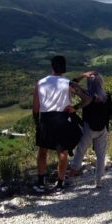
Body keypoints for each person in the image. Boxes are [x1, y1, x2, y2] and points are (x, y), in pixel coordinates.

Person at [33, 56, 91, 194]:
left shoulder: (40, 83)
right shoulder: (69, 84)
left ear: (52, 66)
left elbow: (35, 107)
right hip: (62, 118)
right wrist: (75, 108)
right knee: (63, 152)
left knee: (42, 151)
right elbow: (87, 99)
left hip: (46, 119)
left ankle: (41, 182)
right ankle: (60, 183)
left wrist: (37, 124)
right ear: (64, 67)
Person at [67, 72, 112, 188]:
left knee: (80, 151)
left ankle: (71, 176)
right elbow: (111, 114)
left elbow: (70, 83)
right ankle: (98, 181)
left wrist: (83, 75)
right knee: (101, 155)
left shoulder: (86, 94)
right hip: (102, 128)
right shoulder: (107, 96)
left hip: (88, 128)